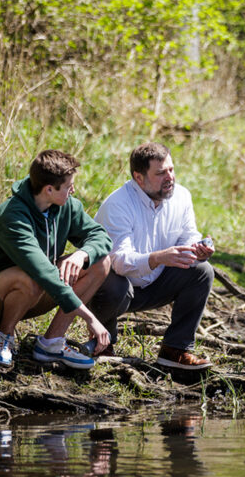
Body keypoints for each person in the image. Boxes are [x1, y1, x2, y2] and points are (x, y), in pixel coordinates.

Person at [0, 150, 113, 369]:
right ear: (49, 189)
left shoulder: (66, 206)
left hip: (36, 291)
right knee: (29, 277)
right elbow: (42, 272)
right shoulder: (13, 217)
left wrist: (81, 254)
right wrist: (90, 318)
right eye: (68, 186)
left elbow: (101, 237)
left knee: (100, 263)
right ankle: (3, 337)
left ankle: (51, 343)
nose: (73, 189)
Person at [90, 142, 214, 370]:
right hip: (115, 286)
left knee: (202, 272)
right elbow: (120, 261)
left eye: (171, 170)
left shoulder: (182, 197)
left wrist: (197, 251)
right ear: (139, 177)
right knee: (113, 279)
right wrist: (157, 258)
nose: (170, 178)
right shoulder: (118, 204)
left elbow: (188, 237)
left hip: (156, 283)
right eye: (160, 173)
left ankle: (175, 349)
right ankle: (102, 342)